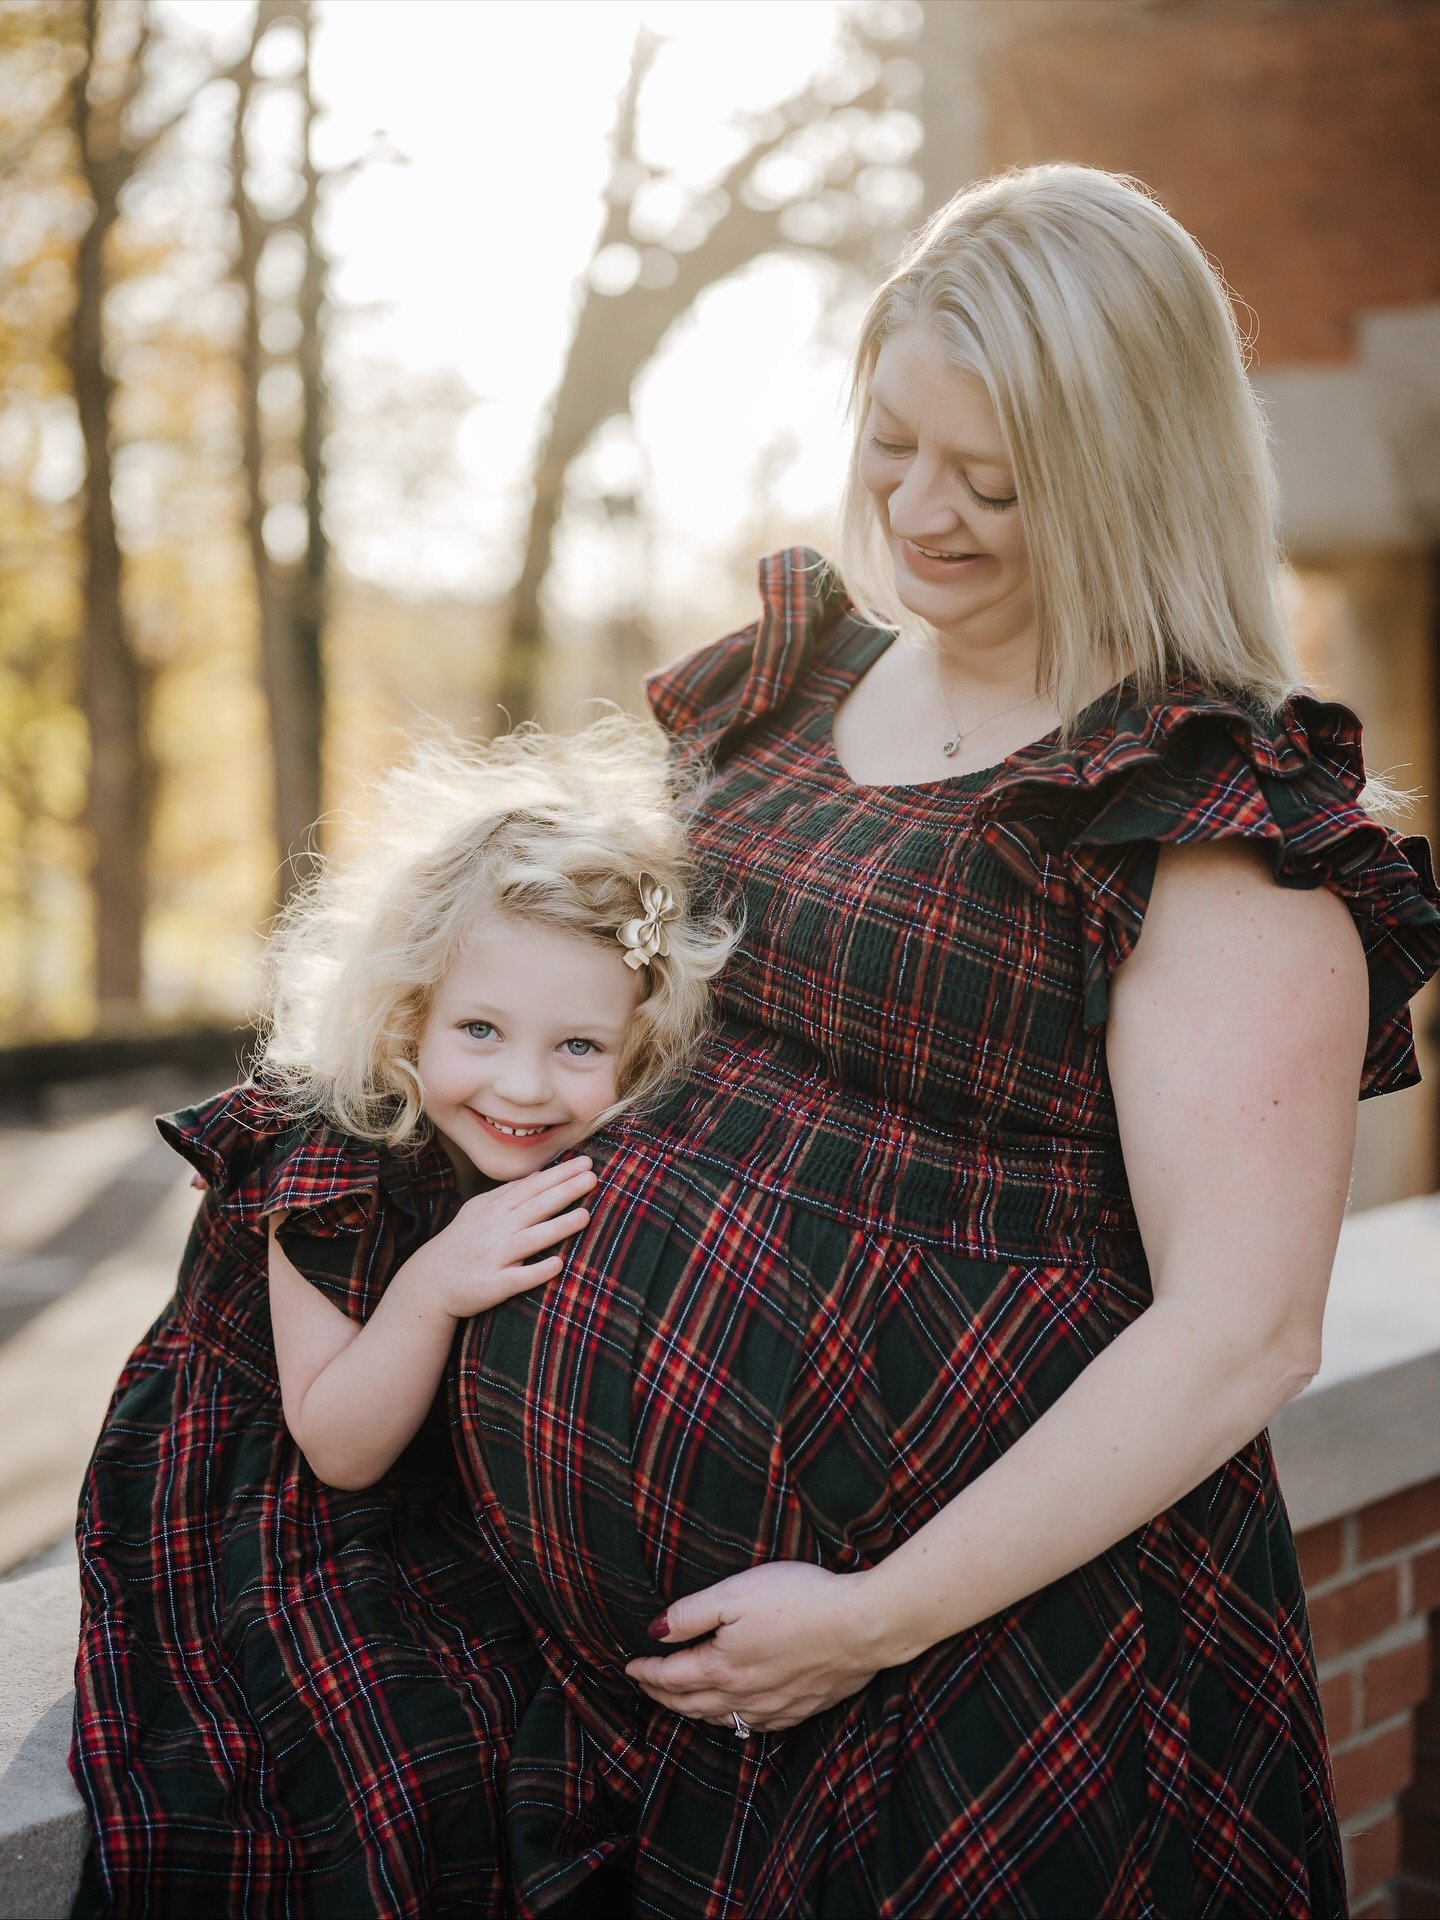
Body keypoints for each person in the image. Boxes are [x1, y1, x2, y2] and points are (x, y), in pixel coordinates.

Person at [450, 166, 1440, 1917]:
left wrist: (868, 1618)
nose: (922, 510)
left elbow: (1243, 1331)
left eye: (997, 482)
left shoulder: (1210, 824)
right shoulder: (800, 687)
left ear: (1139, 480)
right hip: (616, 1688)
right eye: (895, 442)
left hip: (971, 1679)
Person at [69, 718, 735, 1920]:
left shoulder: (598, 1145)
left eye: (578, 1046)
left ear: (639, 1049)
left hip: (449, 1476)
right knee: (408, 1751)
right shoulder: (330, 1151)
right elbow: (339, 1444)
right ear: (408, 1014)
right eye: (479, 1032)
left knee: (580, 1736)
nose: (524, 1085)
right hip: (276, 1483)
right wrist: (434, 1280)